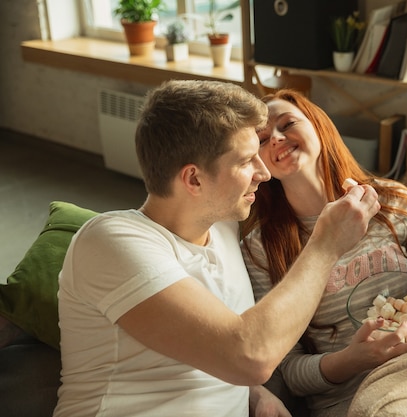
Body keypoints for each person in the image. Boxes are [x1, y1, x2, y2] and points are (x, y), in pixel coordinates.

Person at [53, 80, 381, 417]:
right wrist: (326, 245)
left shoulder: (225, 229)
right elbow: (248, 355)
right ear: (193, 179)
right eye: (246, 161)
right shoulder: (112, 242)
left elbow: (204, 343)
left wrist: (254, 395)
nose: (263, 172)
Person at [240, 89, 407, 417]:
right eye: (262, 139)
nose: (276, 138)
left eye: (287, 123)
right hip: (359, 393)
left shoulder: (392, 201)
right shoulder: (260, 247)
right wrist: (352, 359)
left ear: (319, 125)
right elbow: (289, 372)